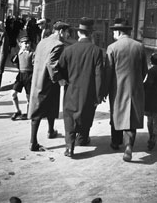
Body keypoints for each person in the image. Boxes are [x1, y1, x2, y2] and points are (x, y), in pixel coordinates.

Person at [58, 17, 104, 157]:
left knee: (69, 117)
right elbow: (99, 76)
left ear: (79, 33)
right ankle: (83, 139)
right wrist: (98, 95)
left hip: (71, 90)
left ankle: (69, 147)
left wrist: (65, 80)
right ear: (91, 34)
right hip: (89, 92)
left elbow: (60, 69)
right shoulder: (97, 51)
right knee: (86, 114)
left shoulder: (68, 50)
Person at [104, 18, 148, 162]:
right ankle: (129, 146)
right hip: (135, 88)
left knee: (116, 114)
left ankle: (115, 142)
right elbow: (144, 70)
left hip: (117, 89)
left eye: (113, 32)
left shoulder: (112, 47)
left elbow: (108, 72)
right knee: (132, 117)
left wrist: (105, 89)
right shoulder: (139, 46)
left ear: (117, 32)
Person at [28, 21, 70, 152]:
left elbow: (34, 59)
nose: (68, 35)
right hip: (48, 83)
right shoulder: (59, 45)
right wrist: (59, 79)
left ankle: (51, 131)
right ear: (61, 31)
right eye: (67, 32)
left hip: (38, 79)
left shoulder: (43, 41)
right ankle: (33, 142)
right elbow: (52, 63)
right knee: (40, 111)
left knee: (48, 107)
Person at [10, 36, 34, 121]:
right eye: (25, 43)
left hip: (30, 76)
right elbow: (14, 62)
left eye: (28, 43)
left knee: (28, 96)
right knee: (13, 93)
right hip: (20, 76)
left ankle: (29, 112)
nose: (27, 45)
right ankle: (17, 111)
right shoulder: (19, 54)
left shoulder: (32, 54)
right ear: (20, 44)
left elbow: (35, 65)